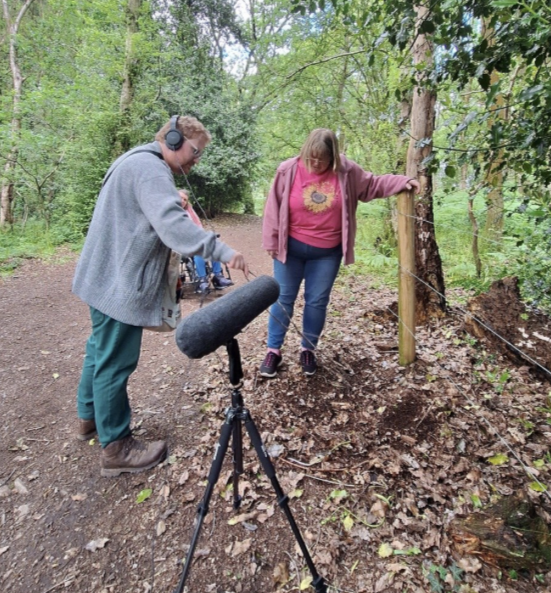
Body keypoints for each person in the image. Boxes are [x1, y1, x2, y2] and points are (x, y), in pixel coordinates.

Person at [73, 116, 249, 477]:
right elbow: (173, 226)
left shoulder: (136, 160)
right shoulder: (151, 170)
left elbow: (147, 210)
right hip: (117, 284)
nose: (196, 160)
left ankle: (89, 417)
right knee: (115, 361)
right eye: (195, 151)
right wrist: (224, 252)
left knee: (99, 350)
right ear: (173, 140)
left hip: (101, 277)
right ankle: (116, 447)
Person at [260, 128, 420, 378]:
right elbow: (273, 205)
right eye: (310, 157)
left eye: (321, 159)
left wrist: (401, 181)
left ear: (332, 156)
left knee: (316, 301)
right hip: (290, 250)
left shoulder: (346, 171)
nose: (315, 163)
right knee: (283, 298)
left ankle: (308, 349)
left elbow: (372, 184)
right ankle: (273, 350)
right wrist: (271, 240)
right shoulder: (288, 170)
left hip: (327, 253)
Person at [178, 190, 234, 292]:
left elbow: (199, 226)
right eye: (180, 198)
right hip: (181, 243)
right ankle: (202, 279)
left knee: (213, 243)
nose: (182, 201)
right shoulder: (171, 213)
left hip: (195, 238)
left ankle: (218, 276)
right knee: (199, 248)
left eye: (185, 199)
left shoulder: (189, 211)